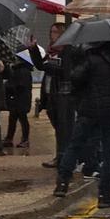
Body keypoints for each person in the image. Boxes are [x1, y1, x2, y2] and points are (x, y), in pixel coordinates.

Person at [54, 39, 110, 208]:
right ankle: (105, 195)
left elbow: (75, 78)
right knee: (109, 154)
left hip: (89, 110)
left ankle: (62, 183)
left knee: (75, 145)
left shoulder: (92, 60)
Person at [37, 23, 74, 169]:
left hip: (63, 95)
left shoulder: (67, 50)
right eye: (51, 31)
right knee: (59, 128)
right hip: (50, 94)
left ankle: (64, 158)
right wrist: (33, 49)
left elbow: (65, 71)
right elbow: (40, 65)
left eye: (55, 32)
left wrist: (49, 66)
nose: (51, 35)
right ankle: (61, 156)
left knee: (64, 129)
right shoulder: (51, 51)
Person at [3, 42, 36, 150]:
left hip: (21, 99)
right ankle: (9, 138)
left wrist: (8, 86)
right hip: (19, 99)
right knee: (13, 118)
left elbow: (20, 85)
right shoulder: (20, 69)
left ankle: (24, 139)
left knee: (22, 118)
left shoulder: (23, 70)